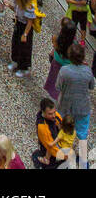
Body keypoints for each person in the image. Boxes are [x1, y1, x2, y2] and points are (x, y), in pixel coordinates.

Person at [57, 38, 95, 167]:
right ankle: (84, 163)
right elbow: (91, 86)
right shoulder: (88, 71)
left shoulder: (64, 71)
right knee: (82, 135)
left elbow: (58, 87)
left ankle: (64, 158)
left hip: (66, 106)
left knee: (64, 131)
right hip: (83, 107)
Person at [7, 0, 36, 78]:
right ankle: (15, 61)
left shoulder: (29, 6)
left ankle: (23, 68)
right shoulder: (17, 2)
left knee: (24, 48)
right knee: (15, 43)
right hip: (18, 24)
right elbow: (16, 10)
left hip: (25, 28)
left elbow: (30, 22)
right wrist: (9, 5)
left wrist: (25, 34)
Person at [44, 16, 78, 100]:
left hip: (56, 62)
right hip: (67, 68)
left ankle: (51, 95)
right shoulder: (74, 45)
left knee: (53, 79)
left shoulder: (57, 39)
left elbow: (55, 49)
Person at [32, 97, 61, 169]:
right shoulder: (42, 127)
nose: (54, 115)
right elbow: (51, 148)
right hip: (51, 154)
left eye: (54, 112)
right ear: (43, 112)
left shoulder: (55, 115)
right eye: (50, 114)